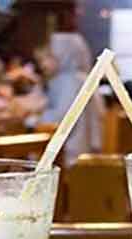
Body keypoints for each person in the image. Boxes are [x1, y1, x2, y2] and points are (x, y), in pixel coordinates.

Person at [37, 32, 105, 165]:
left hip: (70, 156)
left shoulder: (69, 81)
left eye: (49, 56)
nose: (43, 63)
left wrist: (31, 119)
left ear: (64, 55)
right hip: (85, 152)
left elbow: (60, 119)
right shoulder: (80, 77)